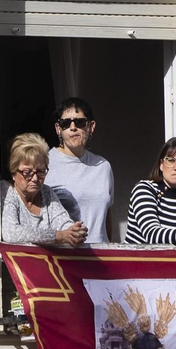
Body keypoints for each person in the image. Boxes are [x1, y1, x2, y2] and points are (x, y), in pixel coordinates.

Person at [45, 97, 114, 244]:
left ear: (91, 126)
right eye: (65, 123)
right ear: (58, 129)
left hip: (101, 253)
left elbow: (107, 219)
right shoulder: (45, 163)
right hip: (64, 254)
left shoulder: (103, 166)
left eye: (79, 122)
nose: (73, 127)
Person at [1, 133, 87, 246]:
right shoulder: (7, 191)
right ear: (13, 172)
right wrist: (57, 236)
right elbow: (11, 233)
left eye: (41, 171)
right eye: (27, 172)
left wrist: (74, 232)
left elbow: (62, 223)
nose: (35, 178)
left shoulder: (47, 193)